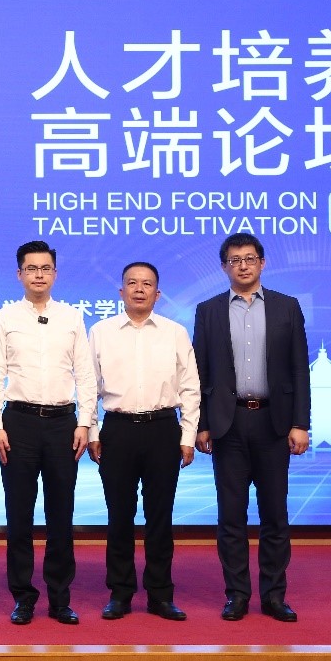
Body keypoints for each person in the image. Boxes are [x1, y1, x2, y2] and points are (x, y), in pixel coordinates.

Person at [193, 233, 311, 622]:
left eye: (249, 258)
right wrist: (202, 424)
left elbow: (299, 368)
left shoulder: (287, 307)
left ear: (262, 262)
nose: (242, 266)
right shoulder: (208, 311)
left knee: (274, 514)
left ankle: (274, 595)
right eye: (234, 260)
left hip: (273, 423)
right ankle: (237, 595)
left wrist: (300, 423)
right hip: (228, 424)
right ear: (224, 267)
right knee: (231, 516)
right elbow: (200, 372)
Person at [0, 240, 96, 626]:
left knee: (61, 514)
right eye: (31, 269)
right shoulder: (5, 318)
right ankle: (23, 597)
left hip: (64, 423)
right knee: (19, 514)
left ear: (55, 274)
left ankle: (60, 598)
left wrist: (85, 422)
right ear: (19, 274)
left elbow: (85, 374)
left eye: (45, 268)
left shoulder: (72, 317)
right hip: (19, 423)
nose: (38, 275)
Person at [86, 262, 199, 622]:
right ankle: (120, 593)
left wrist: (188, 435)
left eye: (147, 284)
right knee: (119, 516)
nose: (139, 289)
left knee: (160, 517)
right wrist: (91, 432)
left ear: (157, 293)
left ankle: (160, 595)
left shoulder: (175, 333)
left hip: (162, 429)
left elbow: (190, 387)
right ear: (121, 291)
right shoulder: (101, 332)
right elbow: (88, 387)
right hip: (117, 430)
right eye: (132, 283)